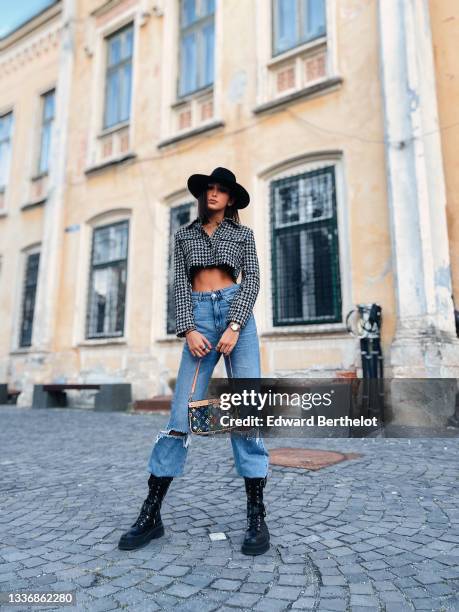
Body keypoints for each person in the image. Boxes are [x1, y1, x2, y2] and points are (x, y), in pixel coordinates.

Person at [118, 167, 270, 556]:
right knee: (182, 416)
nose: (213, 194)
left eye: (221, 190)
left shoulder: (243, 235)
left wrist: (235, 325)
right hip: (199, 320)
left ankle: (256, 515)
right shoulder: (184, 235)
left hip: (238, 319)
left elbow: (251, 280)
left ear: (231, 199)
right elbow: (180, 286)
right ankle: (151, 515)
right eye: (209, 190)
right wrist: (188, 329)